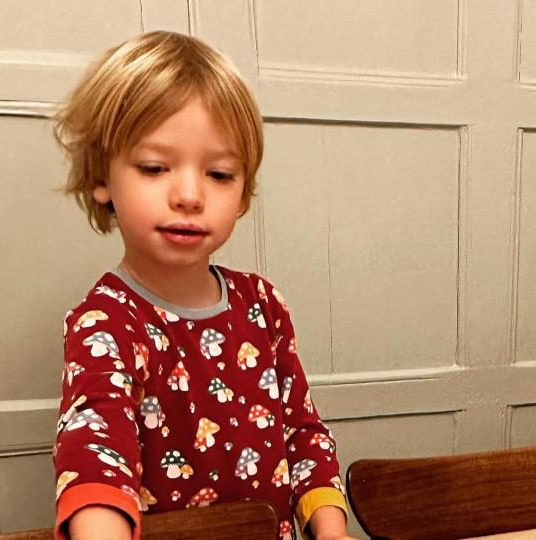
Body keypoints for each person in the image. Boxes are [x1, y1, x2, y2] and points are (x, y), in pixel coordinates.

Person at [51, 31, 352, 540]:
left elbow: (302, 433)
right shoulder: (105, 325)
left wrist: (330, 528)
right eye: (154, 167)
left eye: (218, 173)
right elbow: (95, 453)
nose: (189, 195)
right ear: (102, 176)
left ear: (242, 194)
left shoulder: (263, 305)